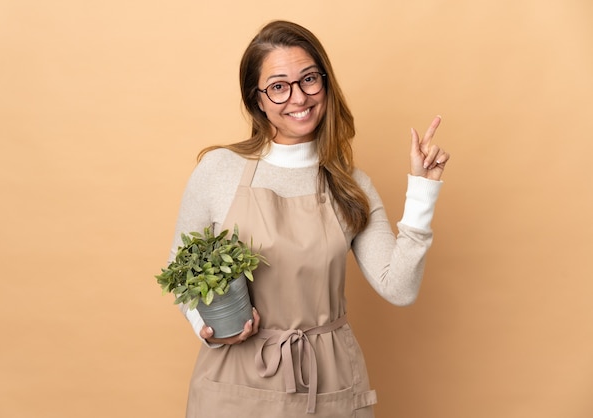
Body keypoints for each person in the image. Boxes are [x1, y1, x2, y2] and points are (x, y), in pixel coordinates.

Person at [168, 20, 450, 418]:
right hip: (235, 382)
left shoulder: (352, 185)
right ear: (258, 100)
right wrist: (209, 326)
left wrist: (422, 193)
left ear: (326, 84)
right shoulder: (219, 171)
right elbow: (178, 270)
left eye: (309, 80)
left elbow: (398, 288)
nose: (298, 97)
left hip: (329, 382)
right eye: (279, 86)